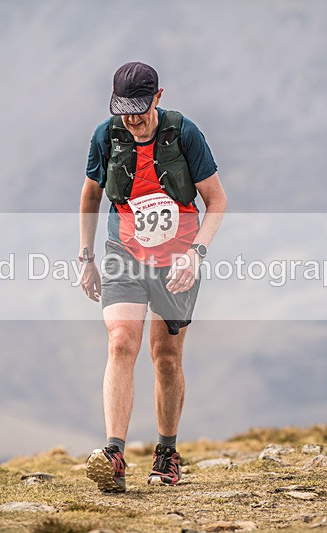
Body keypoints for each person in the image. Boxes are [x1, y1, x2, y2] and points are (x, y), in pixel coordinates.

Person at [78, 61, 227, 492]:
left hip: (178, 258)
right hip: (122, 250)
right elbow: (90, 194)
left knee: (165, 357)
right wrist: (86, 256)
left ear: (158, 97)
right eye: (124, 109)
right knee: (121, 339)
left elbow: (216, 201)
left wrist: (197, 253)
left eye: (140, 108)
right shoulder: (106, 136)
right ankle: (114, 455)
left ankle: (166, 453)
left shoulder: (184, 133)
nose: (133, 118)